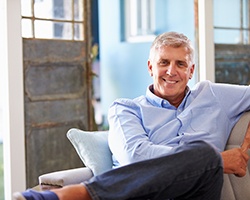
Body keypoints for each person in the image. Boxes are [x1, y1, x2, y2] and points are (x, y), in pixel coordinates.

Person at [14, 31, 250, 200]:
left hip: (200, 192)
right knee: (204, 154)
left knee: (203, 153)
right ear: (150, 67)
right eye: (163, 62)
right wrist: (217, 160)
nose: (171, 71)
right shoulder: (126, 109)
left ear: (191, 71)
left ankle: (78, 194)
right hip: (145, 193)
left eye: (180, 64)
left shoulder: (213, 95)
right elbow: (134, 157)